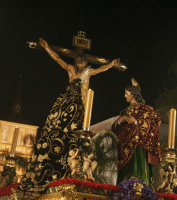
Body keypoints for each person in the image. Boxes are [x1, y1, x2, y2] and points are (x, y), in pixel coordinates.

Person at [17, 38, 120, 196]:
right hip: (66, 104)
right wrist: (46, 47)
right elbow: (57, 58)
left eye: (82, 62)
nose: (80, 64)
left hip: (79, 106)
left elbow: (101, 68)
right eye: (78, 61)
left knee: (76, 133)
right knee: (56, 126)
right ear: (76, 62)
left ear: (85, 63)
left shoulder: (88, 72)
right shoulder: (71, 70)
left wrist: (112, 64)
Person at [111, 78, 162, 184]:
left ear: (133, 94)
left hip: (139, 144)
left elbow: (154, 123)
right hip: (124, 145)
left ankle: (142, 188)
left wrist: (136, 122)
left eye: (126, 93)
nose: (124, 96)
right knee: (126, 172)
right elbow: (114, 127)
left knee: (138, 167)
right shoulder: (125, 111)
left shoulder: (146, 109)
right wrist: (120, 122)